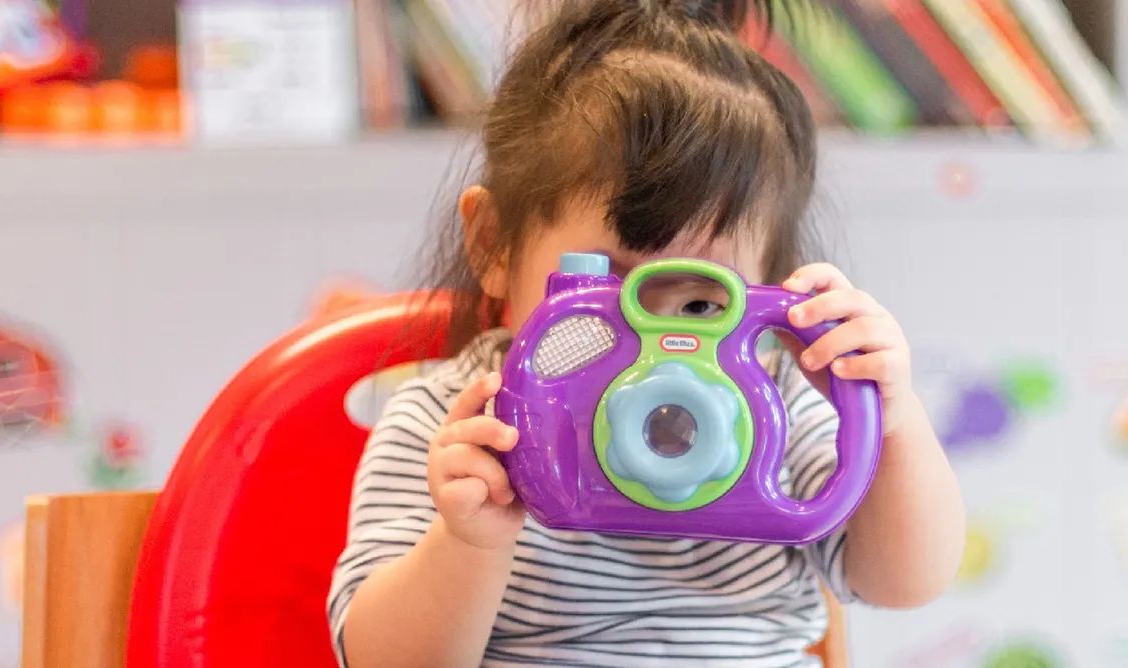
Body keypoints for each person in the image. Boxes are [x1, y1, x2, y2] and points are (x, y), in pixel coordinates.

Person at [329, 1, 964, 664]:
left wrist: (890, 423)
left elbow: (901, 582)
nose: (653, 348)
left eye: (698, 306)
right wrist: (467, 542)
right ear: (494, 246)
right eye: (606, 288)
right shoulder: (453, 427)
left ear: (768, 295)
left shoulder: (771, 411)